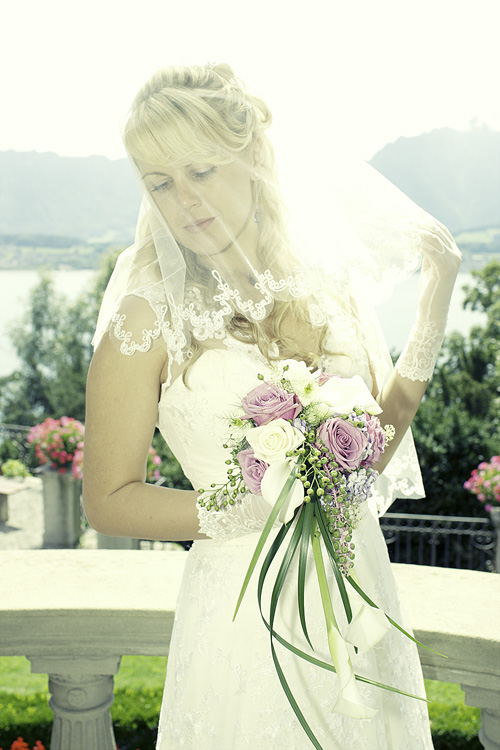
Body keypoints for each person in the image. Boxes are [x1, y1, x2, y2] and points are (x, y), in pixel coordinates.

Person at [83, 63, 461, 749]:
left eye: (200, 170)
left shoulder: (323, 284)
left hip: (358, 587)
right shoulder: (146, 316)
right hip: (244, 607)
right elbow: (108, 499)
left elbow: (370, 454)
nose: (183, 201)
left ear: (254, 154)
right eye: (159, 181)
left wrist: (436, 295)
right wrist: (251, 509)